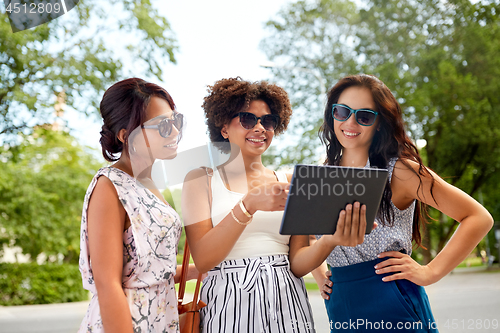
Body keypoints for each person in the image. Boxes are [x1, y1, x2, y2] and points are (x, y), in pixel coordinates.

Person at [181, 77, 370, 333]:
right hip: (227, 300)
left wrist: (330, 240)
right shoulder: (200, 180)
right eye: (248, 119)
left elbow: (297, 262)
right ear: (223, 128)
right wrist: (249, 204)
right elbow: (203, 259)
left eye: (268, 121)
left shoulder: (292, 181)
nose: (260, 127)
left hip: (287, 300)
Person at [316, 74, 493, 332]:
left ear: (379, 123)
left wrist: (431, 272)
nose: (350, 122)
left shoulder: (399, 171)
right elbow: (307, 235)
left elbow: (478, 217)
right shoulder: (321, 175)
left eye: (364, 116)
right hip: (342, 303)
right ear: (332, 115)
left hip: (392, 297)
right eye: (342, 111)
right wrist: (321, 275)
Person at [78, 78, 197, 333]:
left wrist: (200, 270)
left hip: (160, 320)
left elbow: (148, 272)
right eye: (163, 125)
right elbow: (108, 283)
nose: (174, 131)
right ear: (125, 135)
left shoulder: (149, 185)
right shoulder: (110, 186)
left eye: (176, 121)